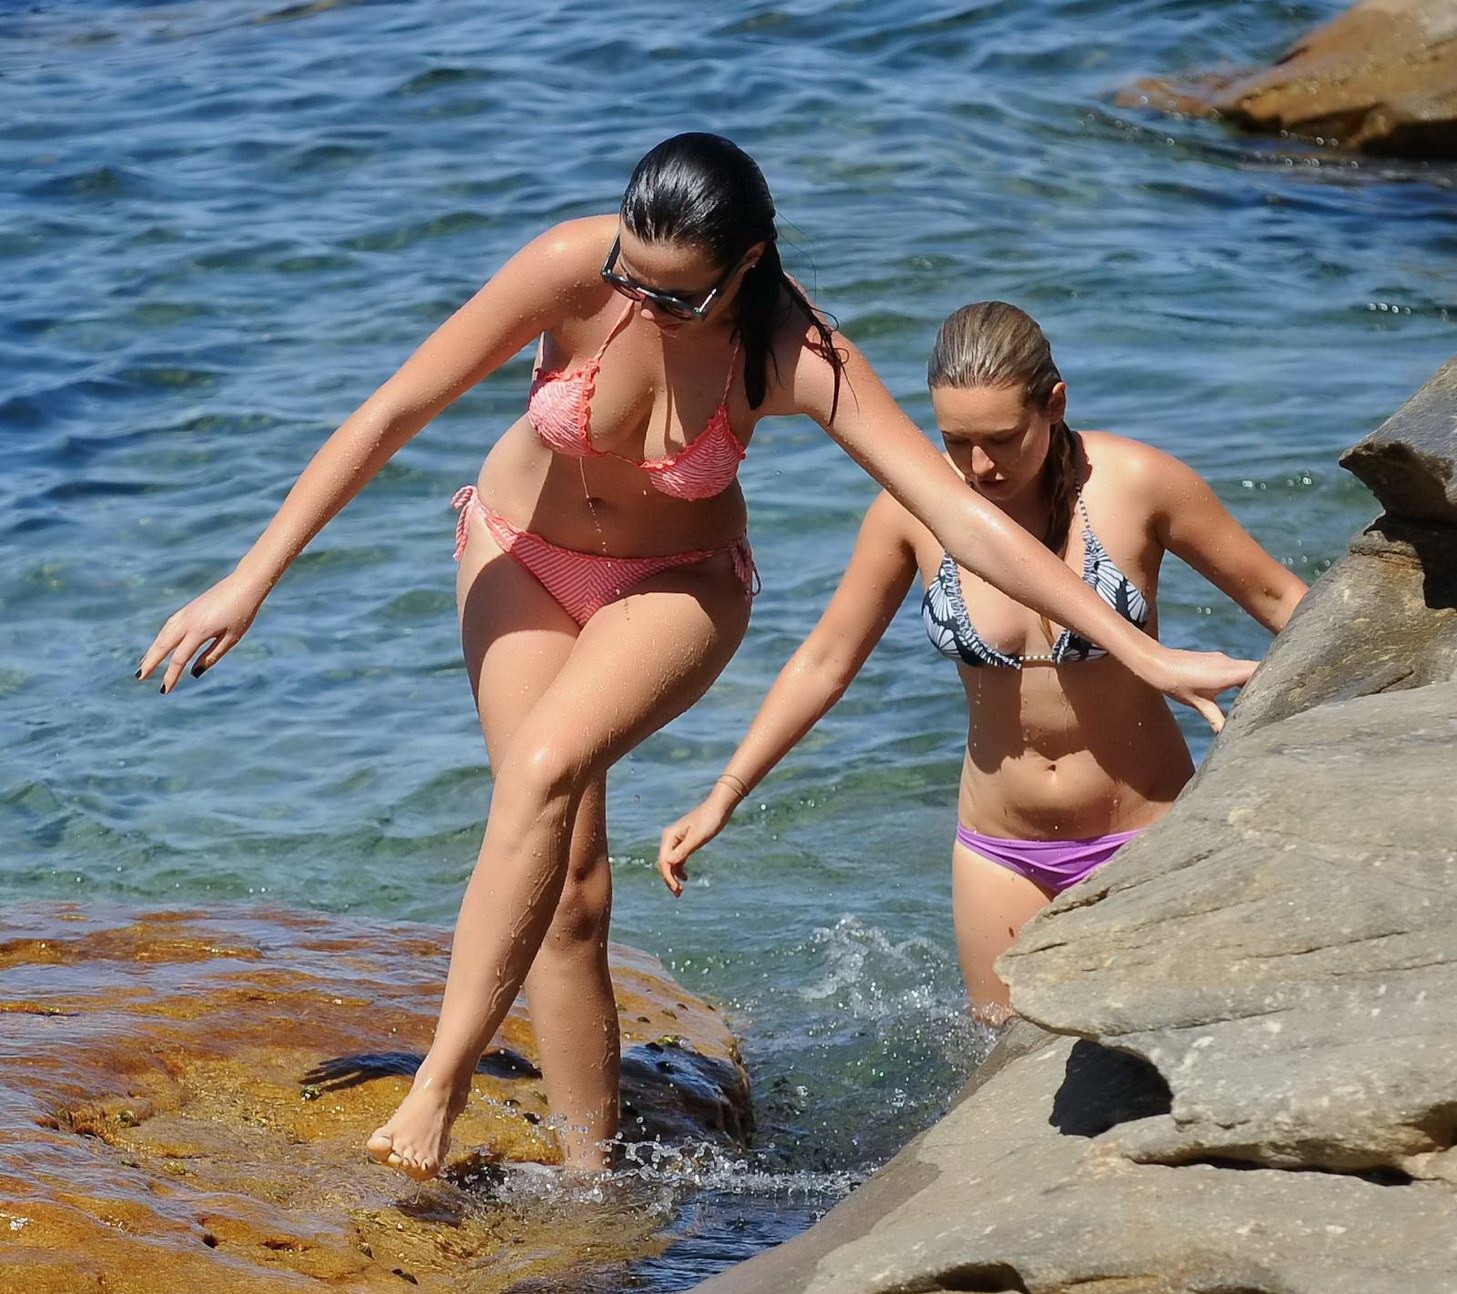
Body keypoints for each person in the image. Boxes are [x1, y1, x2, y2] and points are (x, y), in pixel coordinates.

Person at [137, 136, 1253, 1181]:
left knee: (540, 770)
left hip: (675, 587)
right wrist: (253, 574)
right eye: (633, 275)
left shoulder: (793, 351)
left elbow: (960, 522)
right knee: (567, 887)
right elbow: (397, 406)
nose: (642, 302)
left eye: (676, 294)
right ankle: (589, 1176)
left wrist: (1133, 652)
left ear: (747, 264)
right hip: (515, 555)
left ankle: (439, 1086)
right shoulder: (574, 268)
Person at [658, 300, 1305, 1025]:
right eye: (955, 441)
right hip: (1002, 854)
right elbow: (826, 660)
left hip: (1147, 832)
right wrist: (725, 793)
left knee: (1176, 1035)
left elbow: (1284, 601)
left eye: (1001, 439)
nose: (979, 466)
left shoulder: (1136, 485)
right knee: (1000, 1078)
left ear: (1053, 404)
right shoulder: (914, 507)